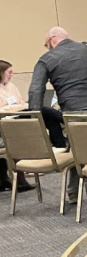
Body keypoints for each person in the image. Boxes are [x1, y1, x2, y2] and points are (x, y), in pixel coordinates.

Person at [28, 26, 87, 149]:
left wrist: (34, 120)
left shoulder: (47, 58)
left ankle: (79, 166)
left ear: (52, 39)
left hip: (71, 112)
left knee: (79, 150)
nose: (48, 48)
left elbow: (36, 90)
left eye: (46, 45)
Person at [0, 60, 34, 193]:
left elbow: (23, 104)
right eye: (9, 72)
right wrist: (14, 108)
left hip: (11, 122)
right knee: (15, 140)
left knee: (16, 135)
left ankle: (4, 180)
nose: (11, 75)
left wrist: (12, 108)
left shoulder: (11, 86)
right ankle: (19, 180)